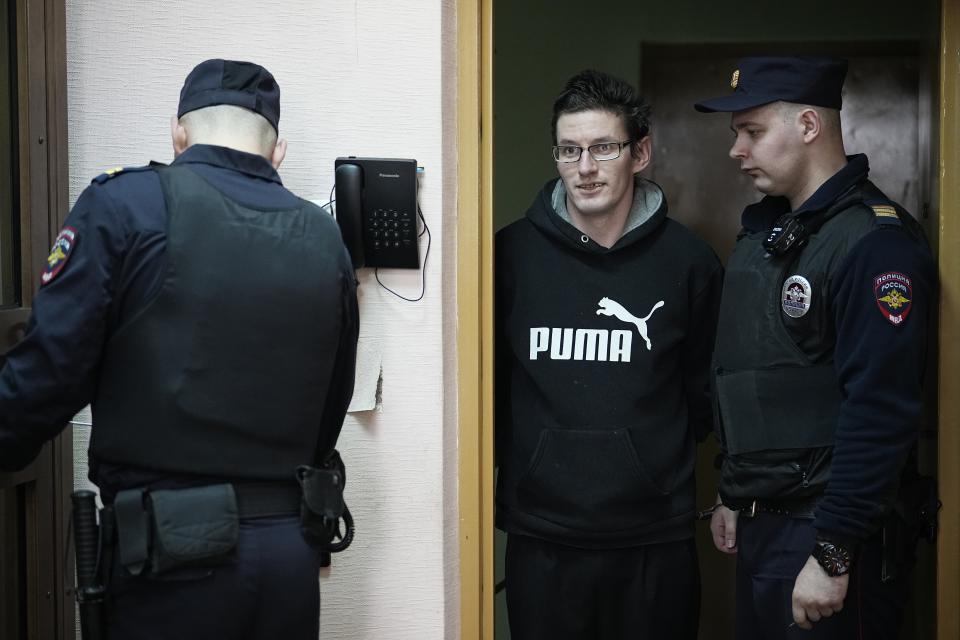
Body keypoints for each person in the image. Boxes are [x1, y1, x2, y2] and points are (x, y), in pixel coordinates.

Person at [0, 59, 359, 639]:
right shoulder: (324, 237)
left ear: (178, 132)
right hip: (287, 556)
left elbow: (50, 373)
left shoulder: (127, 204)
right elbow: (332, 402)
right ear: (278, 151)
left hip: (171, 559)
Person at [695, 56, 937, 638]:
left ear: (808, 126)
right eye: (737, 135)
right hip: (766, 528)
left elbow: (880, 409)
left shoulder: (876, 245)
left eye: (752, 132)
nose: (737, 150)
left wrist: (832, 554)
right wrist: (735, 490)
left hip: (827, 537)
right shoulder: (772, 235)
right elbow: (757, 375)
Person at [495, 69, 723, 639]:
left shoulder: (689, 263)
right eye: (569, 150)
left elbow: (708, 394)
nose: (585, 168)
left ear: (639, 153)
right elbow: (490, 389)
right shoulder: (509, 255)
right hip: (543, 532)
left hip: (654, 536)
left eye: (603, 147)